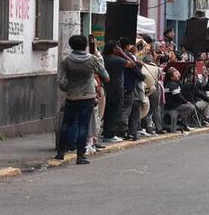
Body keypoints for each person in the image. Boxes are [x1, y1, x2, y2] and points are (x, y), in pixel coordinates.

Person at [56, 34, 110, 164]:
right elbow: (106, 76)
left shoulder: (66, 61)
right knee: (83, 126)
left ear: (71, 45)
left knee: (66, 124)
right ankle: (80, 155)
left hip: (71, 96)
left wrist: (67, 88)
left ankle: (60, 152)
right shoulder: (92, 60)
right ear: (85, 45)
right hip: (88, 97)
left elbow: (60, 81)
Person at [118, 39, 146, 142]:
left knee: (129, 110)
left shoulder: (118, 56)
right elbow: (135, 69)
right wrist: (142, 75)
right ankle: (125, 132)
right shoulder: (127, 58)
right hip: (129, 87)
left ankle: (131, 132)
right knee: (128, 110)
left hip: (122, 87)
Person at [162, 67, 196, 132]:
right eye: (175, 74)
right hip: (173, 105)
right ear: (171, 77)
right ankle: (180, 120)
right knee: (191, 107)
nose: (178, 75)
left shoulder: (169, 83)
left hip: (169, 105)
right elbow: (178, 96)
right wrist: (186, 102)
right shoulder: (173, 85)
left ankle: (182, 122)